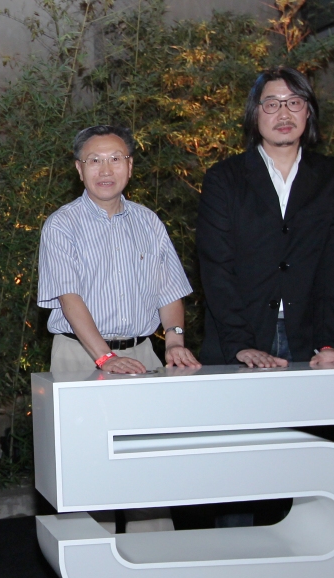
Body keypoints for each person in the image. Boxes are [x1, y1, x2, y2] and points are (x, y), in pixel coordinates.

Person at [38, 124, 199, 533]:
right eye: (94, 160)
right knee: (89, 473)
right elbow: (69, 298)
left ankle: (156, 563)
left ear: (130, 165)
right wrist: (105, 356)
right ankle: (93, 563)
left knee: (149, 472)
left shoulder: (148, 221)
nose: (105, 169)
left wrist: (174, 341)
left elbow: (169, 290)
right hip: (80, 356)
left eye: (115, 158)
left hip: (143, 355)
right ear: (79, 169)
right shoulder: (62, 224)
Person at [197, 66, 334, 369]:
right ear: (254, 114)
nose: (284, 114)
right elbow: (216, 268)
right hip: (240, 337)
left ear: (308, 111)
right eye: (272, 104)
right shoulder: (224, 179)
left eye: (294, 102)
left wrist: (329, 343)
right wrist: (240, 344)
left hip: (308, 340)